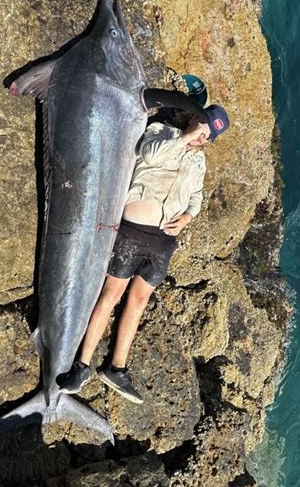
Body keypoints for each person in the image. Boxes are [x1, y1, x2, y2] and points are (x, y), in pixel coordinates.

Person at [57, 101, 230, 403]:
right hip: (133, 230)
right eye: (202, 130)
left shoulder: (198, 162)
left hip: (163, 240)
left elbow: (196, 198)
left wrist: (188, 217)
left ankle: (117, 368)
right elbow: (148, 155)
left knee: (137, 301)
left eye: (207, 138)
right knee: (110, 295)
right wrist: (185, 137)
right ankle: (81, 365)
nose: (202, 140)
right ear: (194, 118)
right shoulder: (160, 132)